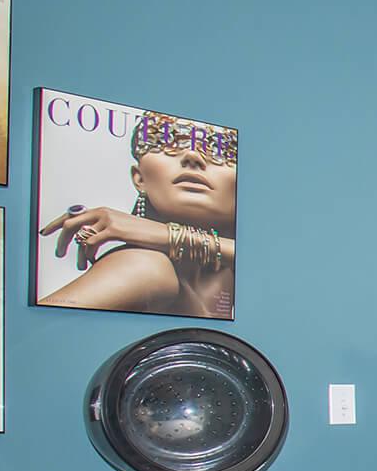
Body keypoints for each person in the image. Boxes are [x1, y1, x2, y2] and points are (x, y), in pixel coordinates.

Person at [38, 111, 237, 318]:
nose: (193, 157)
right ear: (139, 178)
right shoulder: (144, 267)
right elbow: (21, 336)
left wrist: (169, 236)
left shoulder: (231, 277)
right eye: (166, 142)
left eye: (221, 151)